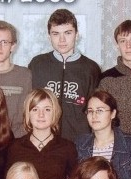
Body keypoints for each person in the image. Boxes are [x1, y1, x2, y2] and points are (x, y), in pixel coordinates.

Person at [28, 9, 100, 141]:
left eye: (68, 33)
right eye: (56, 34)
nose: (62, 40)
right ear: (49, 36)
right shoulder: (37, 64)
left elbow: (95, 109)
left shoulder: (91, 68)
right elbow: (29, 104)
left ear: (76, 34)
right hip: (44, 141)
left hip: (80, 142)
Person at [0, 20, 32, 138]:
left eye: (4, 42)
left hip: (17, 141)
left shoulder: (26, 75)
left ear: (13, 46)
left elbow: (31, 112)